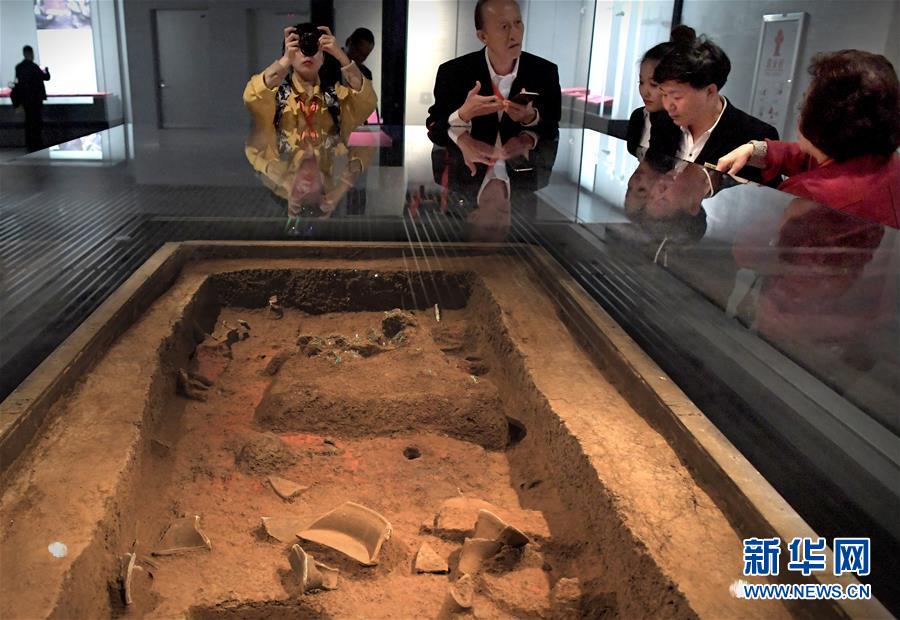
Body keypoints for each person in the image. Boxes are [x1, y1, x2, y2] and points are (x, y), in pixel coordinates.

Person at [717, 50, 900, 229]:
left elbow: (754, 242)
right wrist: (756, 150)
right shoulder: (884, 159)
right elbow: (810, 157)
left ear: (824, 118)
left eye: (805, 103)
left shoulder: (809, 196)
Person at [649, 34, 778, 183]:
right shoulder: (663, 121)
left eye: (676, 97)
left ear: (710, 91)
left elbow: (762, 195)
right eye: (664, 95)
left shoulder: (753, 135)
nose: (668, 105)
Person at [426, 0, 561, 141]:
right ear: (483, 36)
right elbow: (434, 125)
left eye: (517, 22)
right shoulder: (453, 72)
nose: (514, 34)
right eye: (504, 27)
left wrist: (531, 118)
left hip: (522, 155)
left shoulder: (545, 72)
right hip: (469, 155)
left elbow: (553, 127)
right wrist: (462, 115)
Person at [243, 23, 376, 146]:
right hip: (287, 163)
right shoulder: (276, 98)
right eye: (299, 46)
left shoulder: (337, 97)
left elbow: (367, 104)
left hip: (326, 163)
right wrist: (285, 60)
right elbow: (252, 98)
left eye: (314, 47)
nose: (307, 53)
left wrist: (341, 56)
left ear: (323, 57)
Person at [625, 26, 694, 155]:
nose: (645, 92)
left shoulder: (688, 126)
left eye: (653, 84)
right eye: (641, 82)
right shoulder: (639, 117)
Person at [14, 45, 51, 152]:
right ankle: (37, 143)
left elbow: (18, 83)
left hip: (25, 100)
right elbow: (46, 77)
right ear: (30, 54)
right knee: (36, 122)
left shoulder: (19, 67)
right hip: (36, 100)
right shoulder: (34, 67)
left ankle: (29, 144)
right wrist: (46, 70)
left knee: (28, 122)